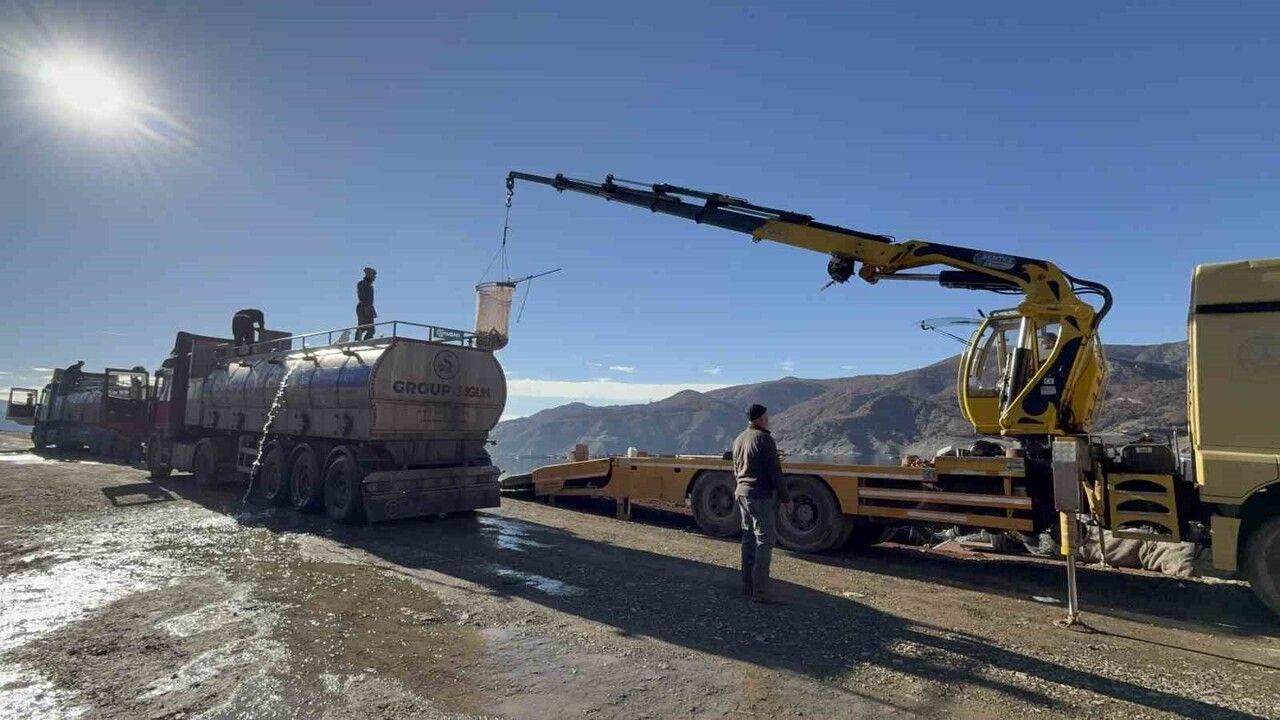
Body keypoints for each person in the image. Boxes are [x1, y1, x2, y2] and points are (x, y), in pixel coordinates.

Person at [732, 403, 793, 603]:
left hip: (742, 493)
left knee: (748, 539)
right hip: (759, 495)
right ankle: (761, 592)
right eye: (767, 416)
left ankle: (747, 586)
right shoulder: (764, 439)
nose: (768, 419)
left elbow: (736, 468)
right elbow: (775, 472)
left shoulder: (739, 439)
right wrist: (786, 498)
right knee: (764, 541)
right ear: (760, 418)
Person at [356, 267, 377, 341]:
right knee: (365, 327)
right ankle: (360, 342)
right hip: (364, 307)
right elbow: (363, 297)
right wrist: (367, 308)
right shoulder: (363, 284)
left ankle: (362, 341)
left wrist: (372, 310)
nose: (374, 278)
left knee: (368, 328)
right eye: (373, 276)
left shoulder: (367, 285)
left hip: (367, 307)